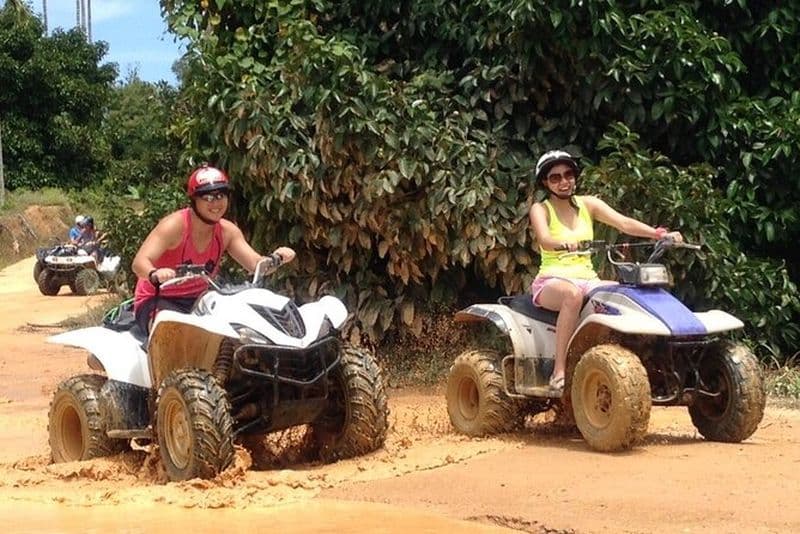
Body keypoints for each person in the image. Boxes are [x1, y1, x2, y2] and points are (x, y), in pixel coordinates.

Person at [528, 149, 682, 395]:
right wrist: (563, 244)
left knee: (626, 295)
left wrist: (658, 234)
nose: (564, 181)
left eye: (568, 174)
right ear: (546, 182)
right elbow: (545, 239)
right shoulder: (541, 209)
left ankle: (644, 366)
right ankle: (559, 371)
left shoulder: (589, 205)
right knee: (572, 296)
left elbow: (623, 223)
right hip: (552, 280)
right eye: (555, 177)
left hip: (588, 279)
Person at [132, 164, 297, 334]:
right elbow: (139, 263)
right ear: (194, 200)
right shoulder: (174, 226)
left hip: (200, 300)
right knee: (172, 336)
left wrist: (277, 257)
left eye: (221, 195)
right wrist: (154, 274)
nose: (216, 203)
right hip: (158, 300)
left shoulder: (227, 232)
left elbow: (256, 265)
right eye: (208, 198)